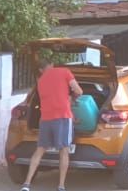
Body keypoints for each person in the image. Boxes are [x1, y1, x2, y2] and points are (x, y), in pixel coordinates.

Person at [20, 57, 82, 191]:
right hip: (63, 117)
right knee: (64, 150)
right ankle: (61, 186)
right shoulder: (65, 72)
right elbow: (79, 91)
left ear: (41, 70)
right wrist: (71, 97)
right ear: (52, 64)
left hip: (46, 119)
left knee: (40, 150)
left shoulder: (40, 81)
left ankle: (26, 184)